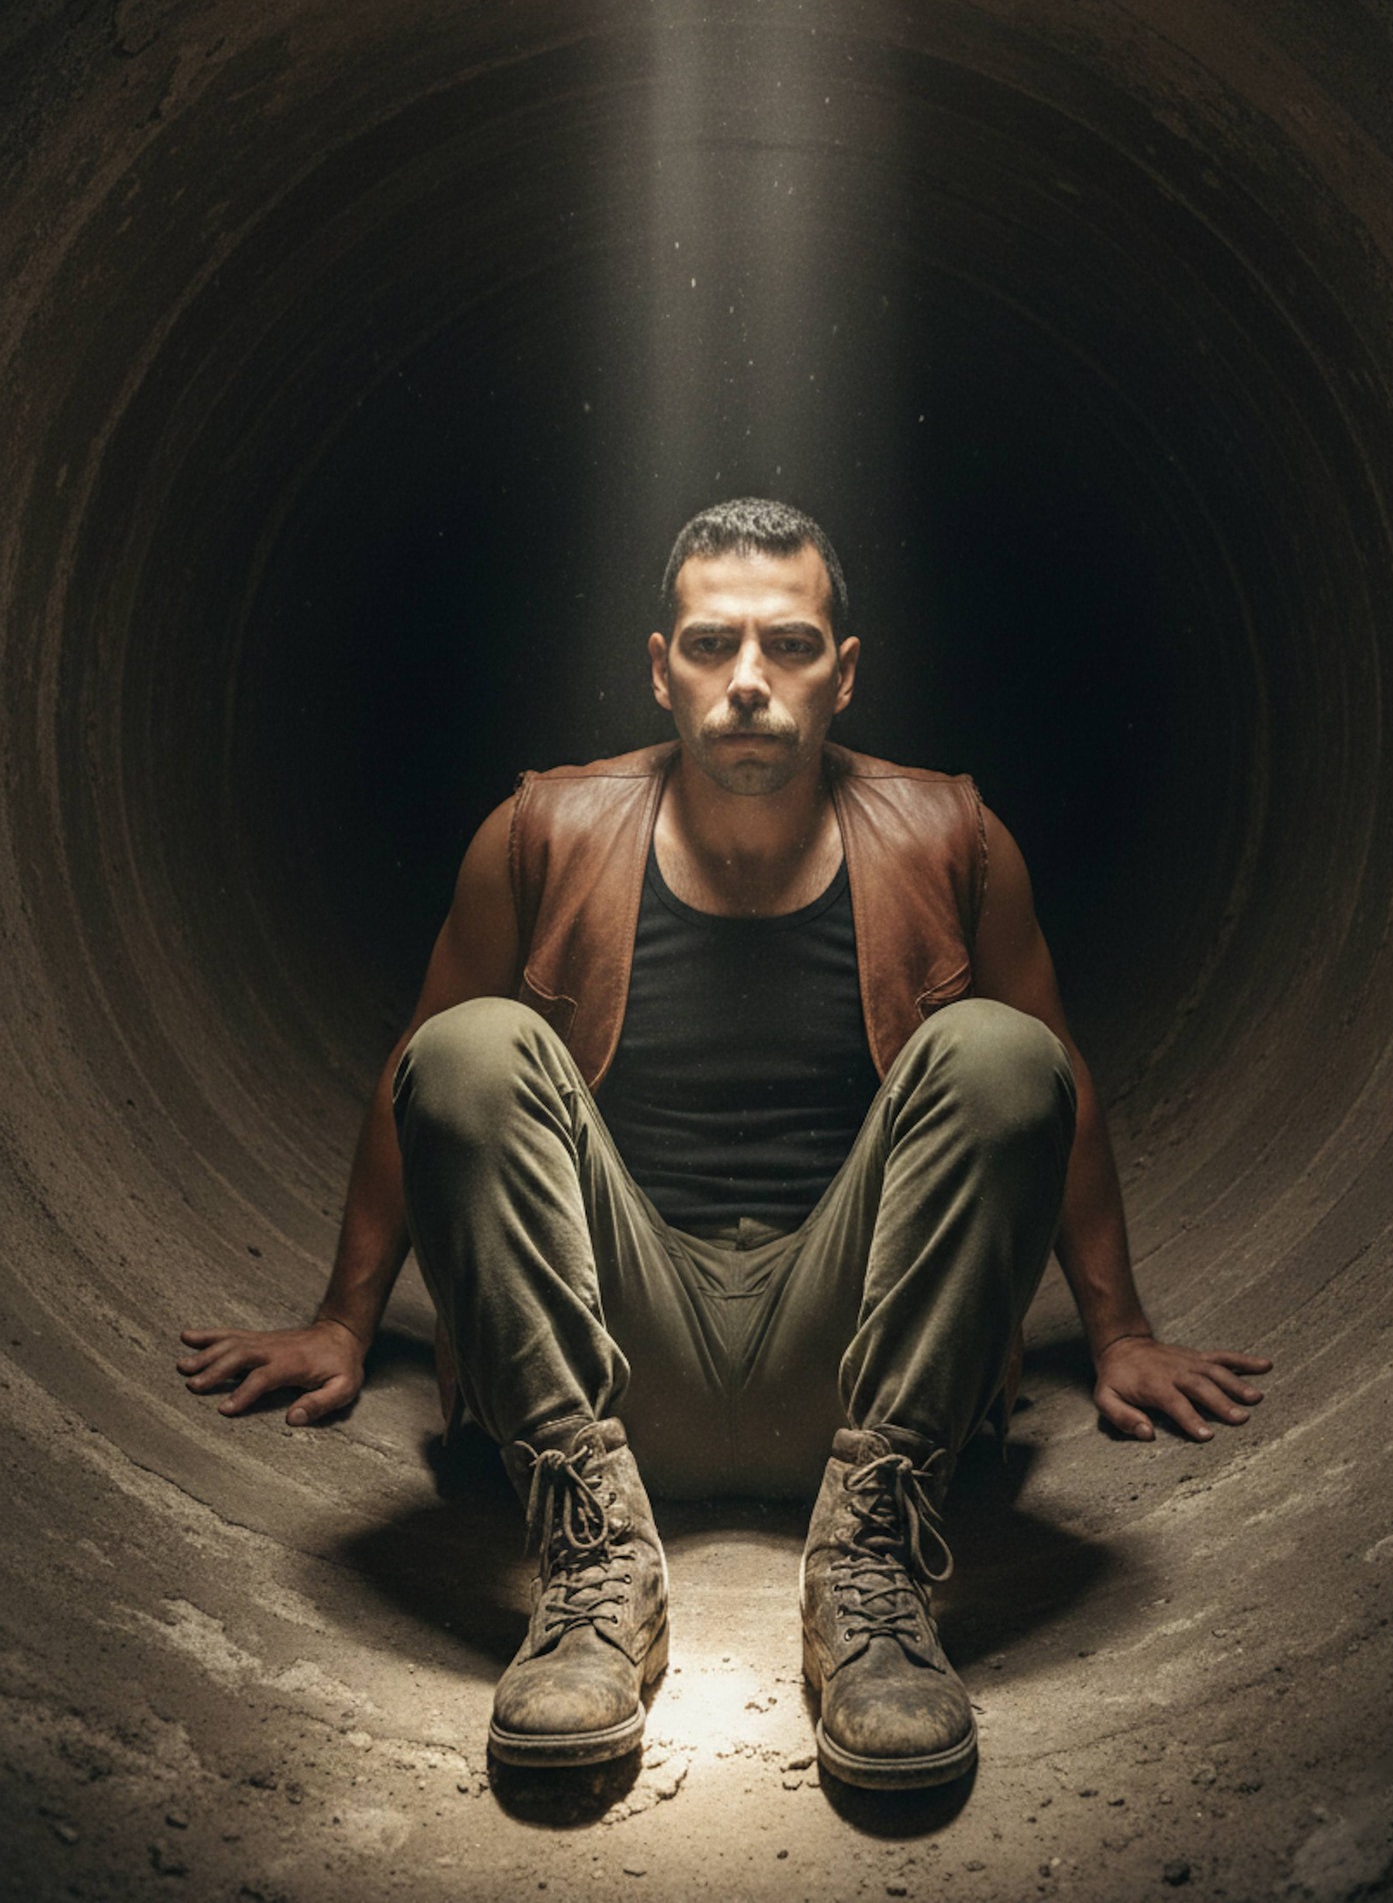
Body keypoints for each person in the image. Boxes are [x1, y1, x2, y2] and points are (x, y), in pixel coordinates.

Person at [178, 498, 1270, 1792]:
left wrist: (1121, 1333)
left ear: (843, 674)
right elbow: (416, 1082)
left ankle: (867, 1568)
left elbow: (1054, 1092)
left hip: (856, 1366)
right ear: (660, 665)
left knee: (1004, 1049)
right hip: (611, 1366)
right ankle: (593, 1568)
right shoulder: (539, 833)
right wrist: (346, 1324)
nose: (749, 681)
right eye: (712, 646)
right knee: (471, 1043)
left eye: (790, 645)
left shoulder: (952, 838)